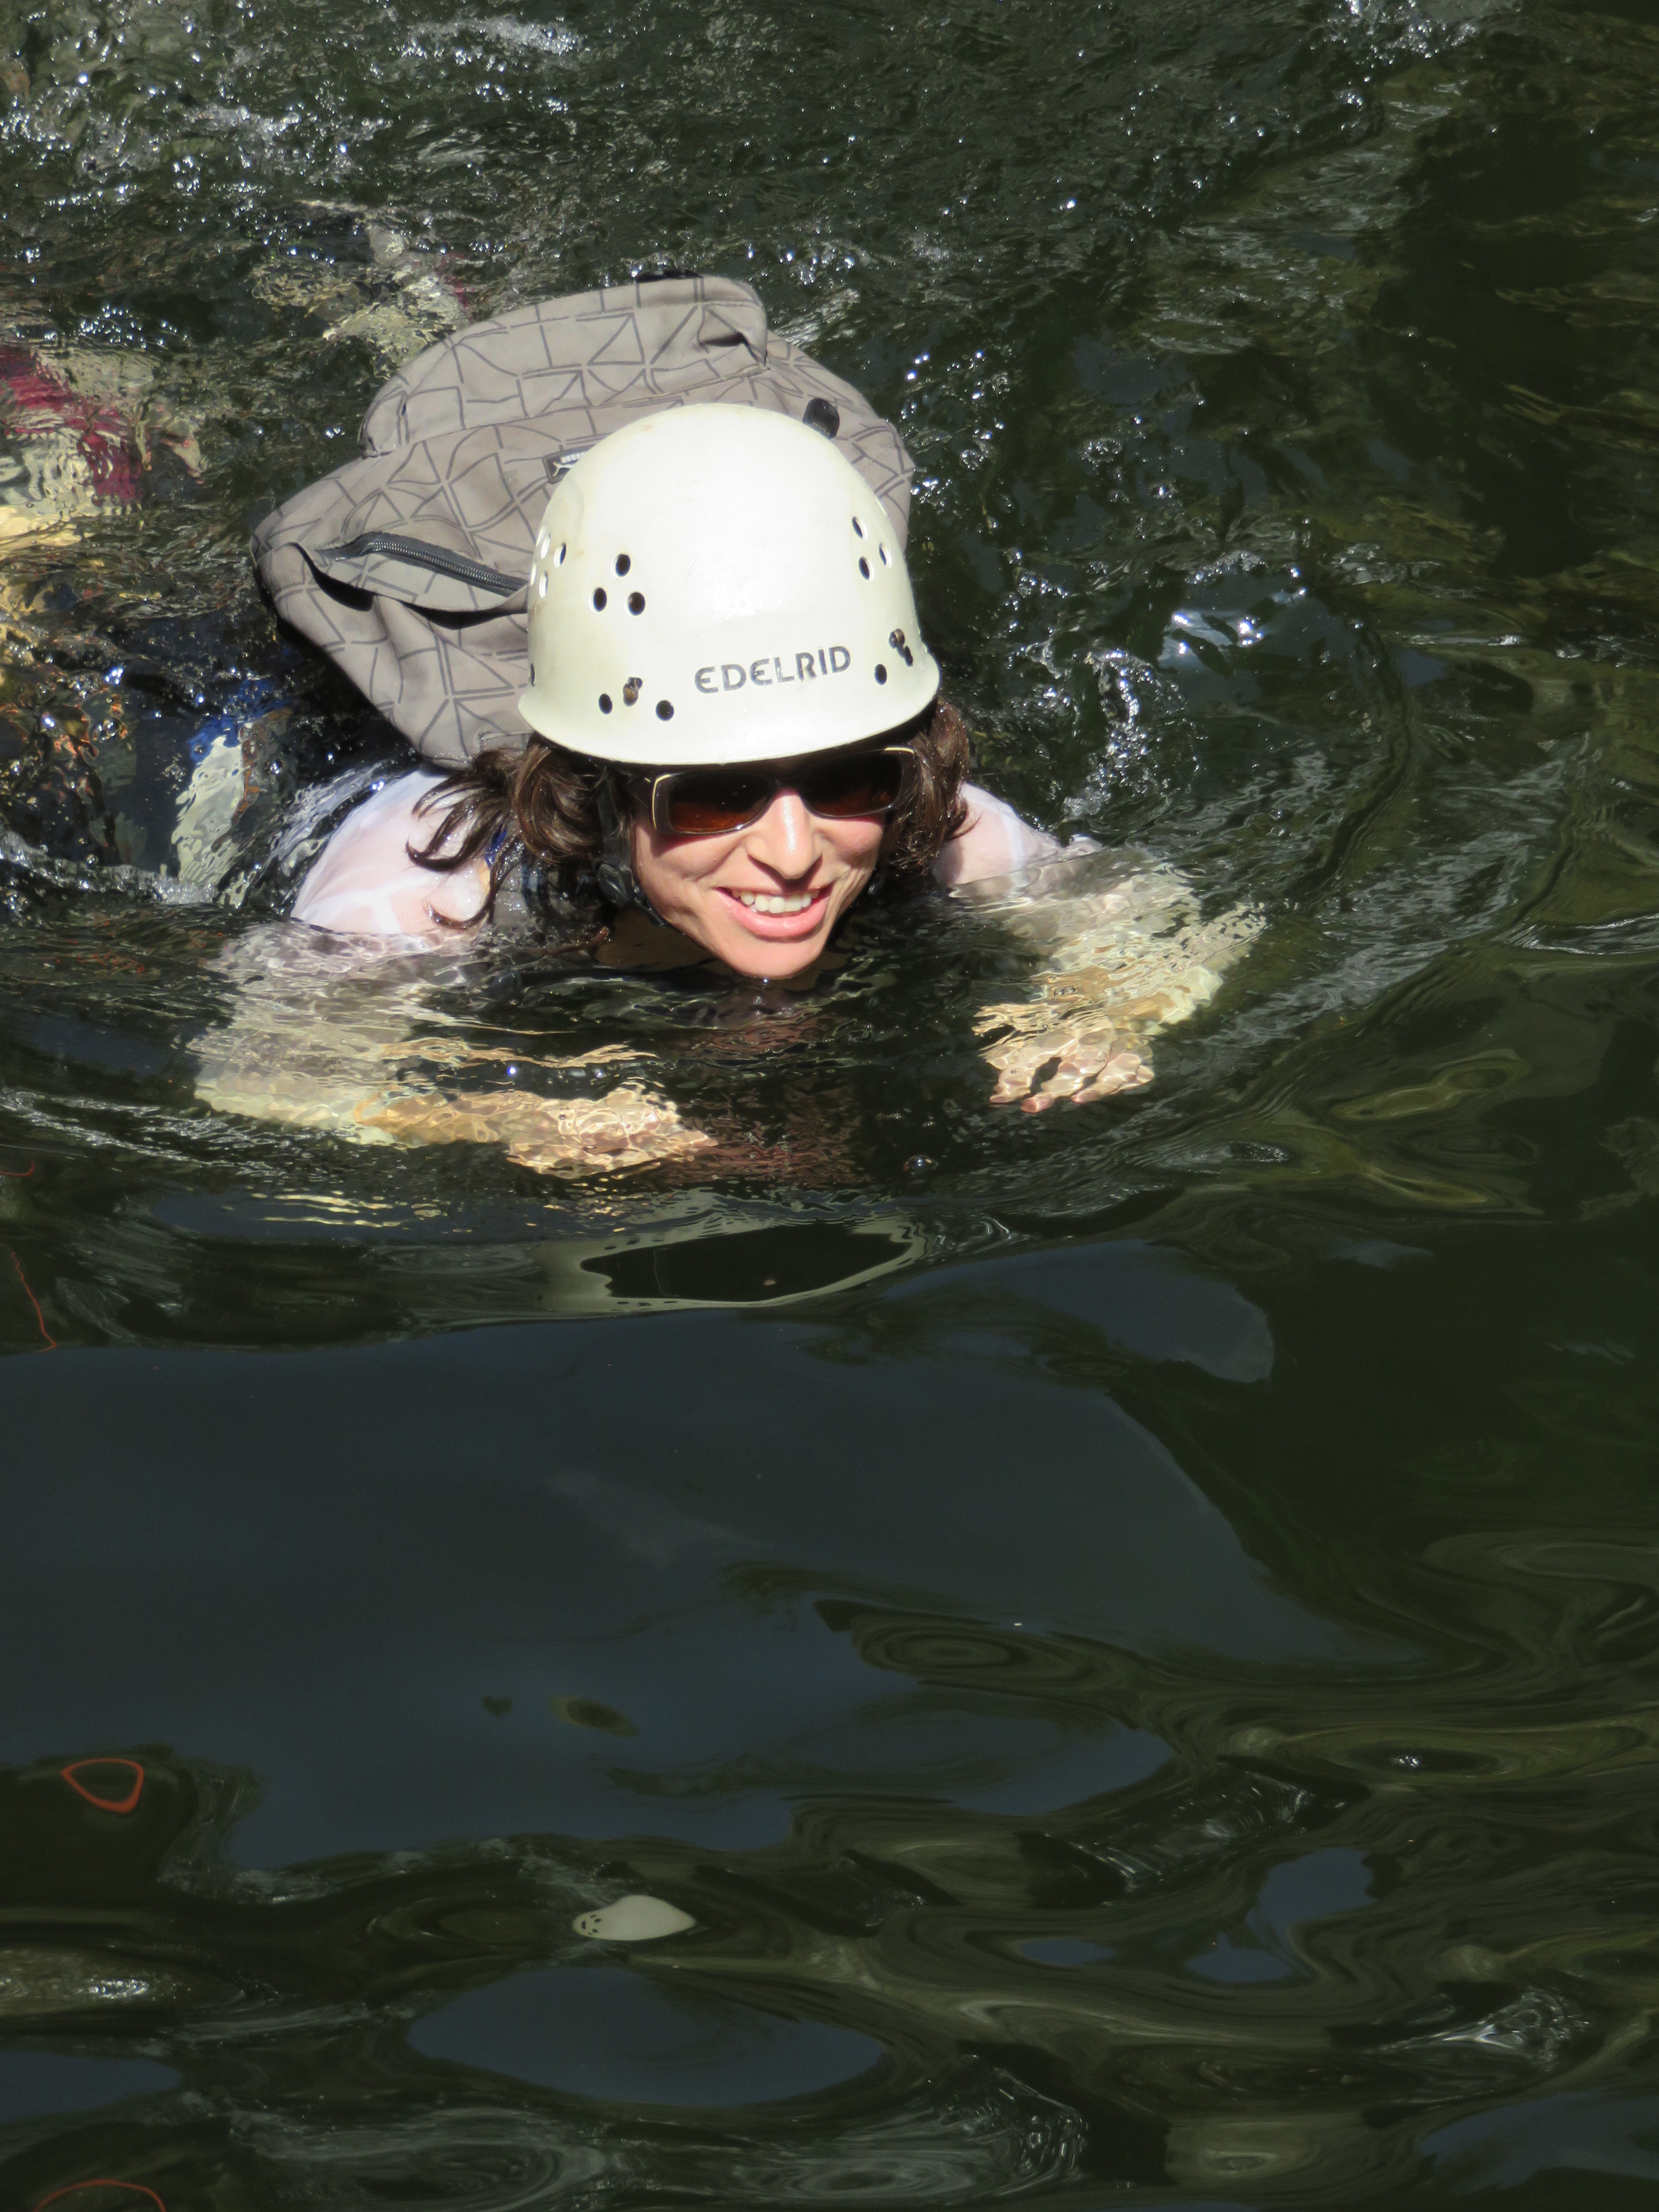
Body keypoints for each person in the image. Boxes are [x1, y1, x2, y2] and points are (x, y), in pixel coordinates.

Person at [199, 406, 1254, 1169]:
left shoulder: (918, 821)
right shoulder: (433, 885)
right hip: (276, 724)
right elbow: (262, 1080)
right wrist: (504, 1117)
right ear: (602, 788)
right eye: (713, 795)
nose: (794, 854)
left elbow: (1157, 911)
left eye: (844, 776)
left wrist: (1101, 1005)